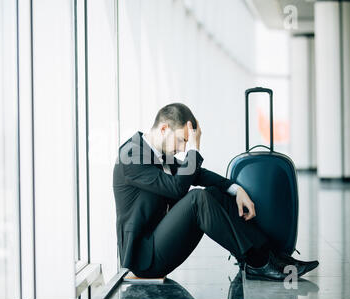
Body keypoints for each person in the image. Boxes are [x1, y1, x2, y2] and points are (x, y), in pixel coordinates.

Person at [113, 103, 319, 281]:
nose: (184, 148)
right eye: (182, 140)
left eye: (186, 142)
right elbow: (177, 188)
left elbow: (195, 174)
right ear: (164, 129)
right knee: (197, 199)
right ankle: (259, 262)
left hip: (160, 239)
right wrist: (194, 149)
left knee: (213, 193)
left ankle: (268, 256)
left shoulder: (155, 151)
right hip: (144, 258)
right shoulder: (131, 155)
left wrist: (235, 189)